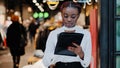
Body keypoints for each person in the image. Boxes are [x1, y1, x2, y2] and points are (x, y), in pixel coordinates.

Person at [41, 1, 92, 68]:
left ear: (78, 16)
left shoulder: (85, 34)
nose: (69, 19)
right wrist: (57, 52)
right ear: (61, 15)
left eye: (73, 17)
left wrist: (81, 54)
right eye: (65, 16)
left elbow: (87, 63)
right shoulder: (54, 34)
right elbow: (45, 62)